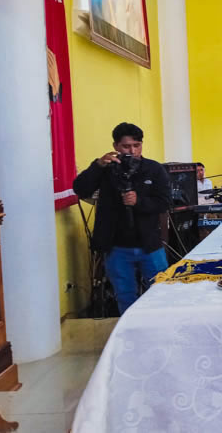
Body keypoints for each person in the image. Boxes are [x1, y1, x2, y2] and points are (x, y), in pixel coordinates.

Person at [72, 122, 170, 314]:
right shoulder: (106, 169)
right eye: (126, 146)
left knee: (161, 292)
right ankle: (130, 330)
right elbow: (80, 189)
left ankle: (161, 327)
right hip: (116, 247)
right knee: (125, 296)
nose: (132, 151)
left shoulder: (154, 169)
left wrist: (139, 201)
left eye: (137, 145)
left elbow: (165, 202)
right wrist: (97, 166)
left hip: (150, 245)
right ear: (115, 146)